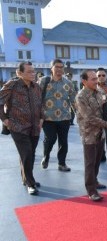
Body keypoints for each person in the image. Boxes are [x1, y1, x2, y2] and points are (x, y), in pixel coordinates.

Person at [0, 61, 44, 195]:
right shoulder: (12, 85)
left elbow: (40, 104)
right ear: (19, 73)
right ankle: (30, 183)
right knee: (27, 154)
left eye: (34, 71)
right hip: (18, 126)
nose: (33, 74)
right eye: (29, 72)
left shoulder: (36, 87)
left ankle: (26, 178)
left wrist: (42, 119)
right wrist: (6, 120)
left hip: (35, 126)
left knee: (30, 154)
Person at [75, 70, 107, 201]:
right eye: (93, 79)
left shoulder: (99, 92)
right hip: (89, 133)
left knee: (97, 160)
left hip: (101, 133)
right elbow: (89, 118)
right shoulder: (81, 97)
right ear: (84, 81)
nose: (96, 81)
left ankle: (94, 180)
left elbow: (106, 109)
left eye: (96, 78)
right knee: (89, 162)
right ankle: (91, 190)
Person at [38, 59, 76, 172]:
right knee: (50, 138)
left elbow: (73, 100)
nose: (59, 69)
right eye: (57, 67)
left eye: (61, 67)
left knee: (63, 141)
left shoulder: (68, 83)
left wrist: (79, 114)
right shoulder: (43, 81)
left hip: (64, 117)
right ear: (51, 68)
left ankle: (62, 163)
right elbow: (36, 98)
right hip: (48, 117)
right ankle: (46, 156)